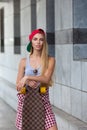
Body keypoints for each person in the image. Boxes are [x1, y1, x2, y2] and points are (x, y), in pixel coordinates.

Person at [15, 28, 58, 130]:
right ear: (31, 41)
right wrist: (27, 83)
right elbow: (18, 85)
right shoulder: (24, 61)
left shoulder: (50, 60)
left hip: (43, 100)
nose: (38, 42)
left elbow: (46, 79)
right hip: (26, 101)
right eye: (35, 39)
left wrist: (27, 77)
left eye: (41, 39)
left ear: (44, 42)